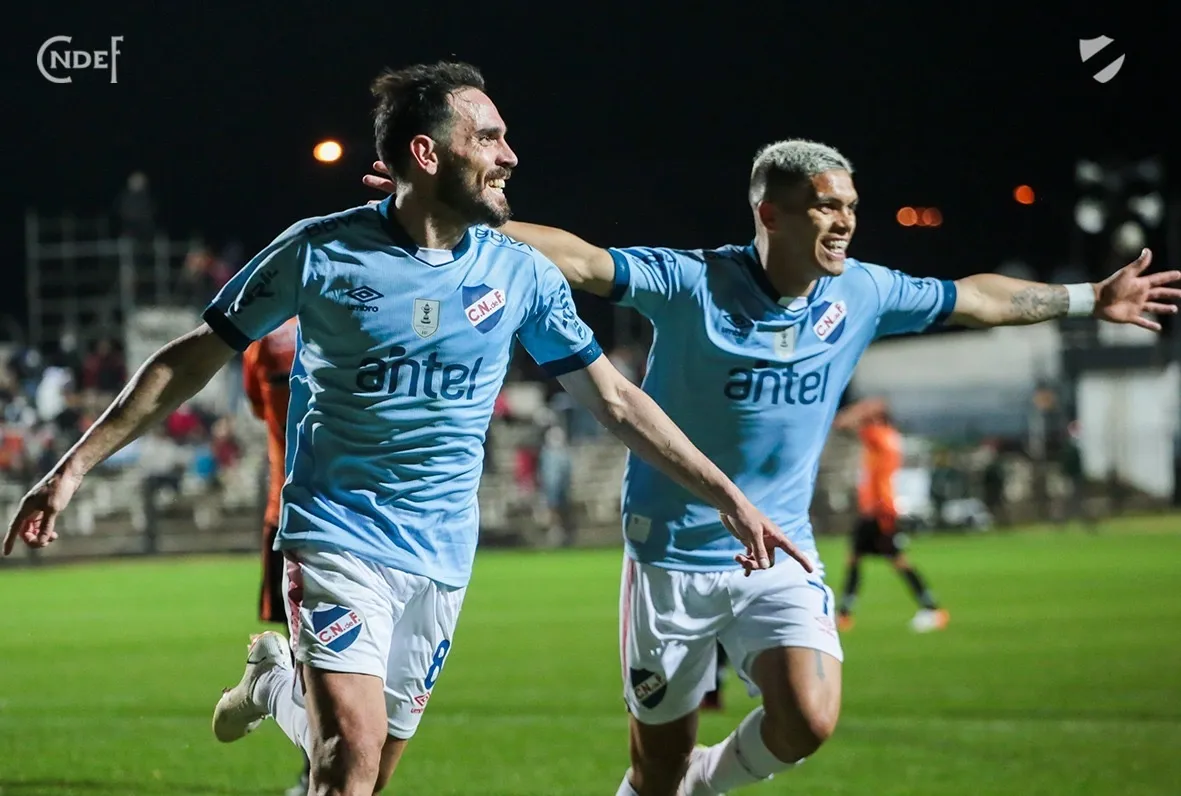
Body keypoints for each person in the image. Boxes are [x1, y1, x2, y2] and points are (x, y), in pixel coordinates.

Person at [3, 62, 806, 796]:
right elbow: (189, 359)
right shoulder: (319, 253)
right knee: (347, 765)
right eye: (487, 137)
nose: (509, 155)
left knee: (370, 770)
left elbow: (617, 402)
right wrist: (72, 468)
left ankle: (275, 686)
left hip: (441, 555)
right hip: (335, 534)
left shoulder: (519, 274)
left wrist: (728, 496)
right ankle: (293, 695)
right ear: (425, 152)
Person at [364, 137, 1181, 796]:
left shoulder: (862, 293)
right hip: (671, 558)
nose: (844, 221)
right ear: (769, 213)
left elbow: (977, 298)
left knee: (809, 721)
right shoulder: (694, 283)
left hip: (778, 548)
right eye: (825, 206)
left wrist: (1089, 297)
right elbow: (580, 260)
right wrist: (446, 214)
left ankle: (709, 782)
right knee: (654, 770)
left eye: (849, 206)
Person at [241, 316, 311, 796]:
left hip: (285, 510)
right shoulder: (353, 316)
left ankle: (316, 771)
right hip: (347, 515)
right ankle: (320, 771)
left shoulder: (262, 340)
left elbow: (257, 406)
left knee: (310, 655)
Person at [832, 397, 948, 633]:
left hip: (880, 511)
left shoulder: (879, 435)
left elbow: (842, 423)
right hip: (875, 510)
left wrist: (862, 409)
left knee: (895, 561)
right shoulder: (889, 436)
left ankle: (933, 609)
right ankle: (843, 614)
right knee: (857, 559)